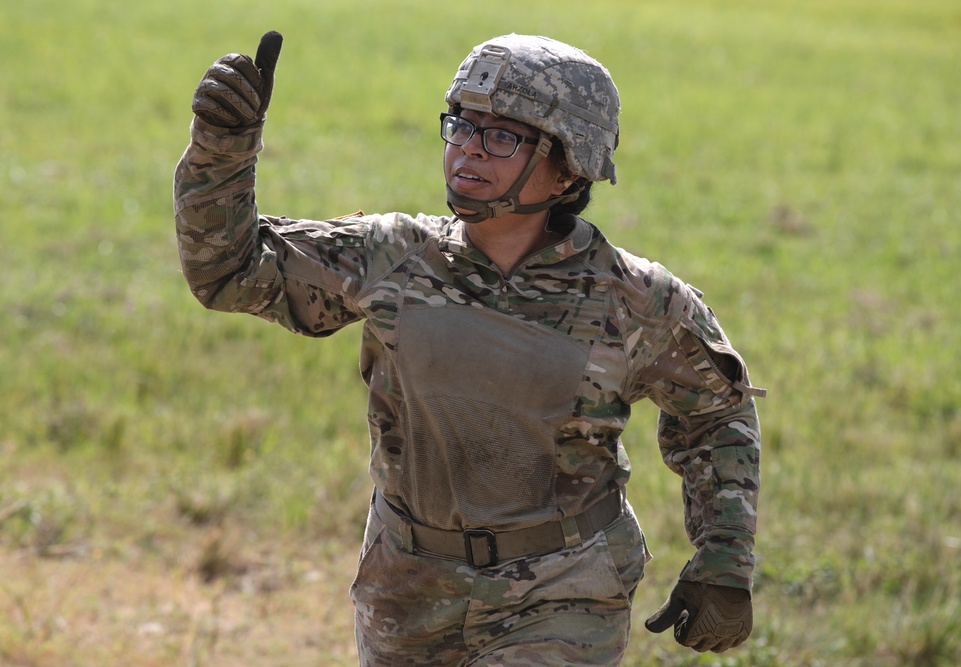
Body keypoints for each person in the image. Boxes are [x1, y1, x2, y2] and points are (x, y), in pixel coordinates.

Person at [175, 30, 766, 665]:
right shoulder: (391, 257)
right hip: (407, 591)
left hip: (563, 593)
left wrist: (723, 561)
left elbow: (716, 414)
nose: (468, 150)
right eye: (460, 124)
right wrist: (223, 147)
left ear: (569, 166)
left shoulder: (635, 299)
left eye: (502, 136)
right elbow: (230, 272)